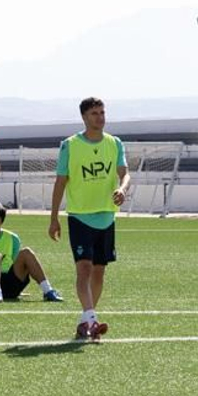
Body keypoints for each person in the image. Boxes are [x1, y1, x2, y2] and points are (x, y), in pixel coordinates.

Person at [49, 96, 129, 341]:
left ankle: (86, 320)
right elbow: (61, 182)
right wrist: (54, 218)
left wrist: (122, 189)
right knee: (83, 269)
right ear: (84, 117)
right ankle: (92, 319)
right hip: (80, 217)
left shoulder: (114, 143)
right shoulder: (70, 145)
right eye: (94, 113)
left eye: (102, 112)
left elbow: (125, 173)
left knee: (99, 272)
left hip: (106, 217)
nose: (100, 117)